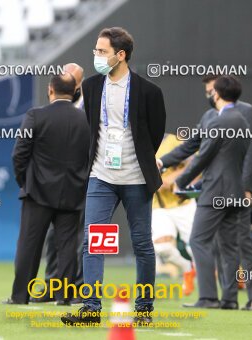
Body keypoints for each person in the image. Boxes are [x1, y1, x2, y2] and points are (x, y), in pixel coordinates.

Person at [61, 27, 166, 326]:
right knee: (93, 242)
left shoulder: (149, 91)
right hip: (101, 176)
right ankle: (91, 309)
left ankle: (144, 309)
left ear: (120, 55)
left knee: (142, 244)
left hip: (136, 179)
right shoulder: (92, 87)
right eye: (96, 50)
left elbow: (155, 133)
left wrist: (141, 159)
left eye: (102, 51)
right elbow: (92, 127)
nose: (96, 56)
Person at [158, 75, 252, 311]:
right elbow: (192, 147)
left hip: (216, 190)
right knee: (229, 246)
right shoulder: (239, 121)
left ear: (217, 93)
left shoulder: (222, 120)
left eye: (211, 90)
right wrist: (162, 162)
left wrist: (181, 182)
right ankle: (230, 299)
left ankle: (208, 297)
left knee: (199, 240)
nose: (209, 94)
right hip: (233, 192)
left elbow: (202, 157)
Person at [5, 72, 90, 306]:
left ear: (50, 90)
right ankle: (64, 297)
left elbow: (19, 154)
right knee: (67, 247)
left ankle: (20, 296)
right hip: (72, 193)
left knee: (29, 246)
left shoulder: (35, 115)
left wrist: (25, 181)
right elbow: (92, 157)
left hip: (37, 193)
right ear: (74, 92)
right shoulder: (86, 119)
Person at [31, 63, 86, 304]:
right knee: (54, 237)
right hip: (56, 184)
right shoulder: (52, 110)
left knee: (83, 237)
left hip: (83, 182)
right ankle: (54, 286)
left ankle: (78, 289)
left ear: (79, 85)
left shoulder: (91, 106)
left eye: (72, 80)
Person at [152, 133, 197, 295]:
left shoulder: (174, 140)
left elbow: (196, 162)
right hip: (158, 205)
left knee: (196, 247)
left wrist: (174, 178)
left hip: (182, 204)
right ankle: (187, 268)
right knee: (162, 248)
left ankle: (211, 293)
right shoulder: (135, 144)